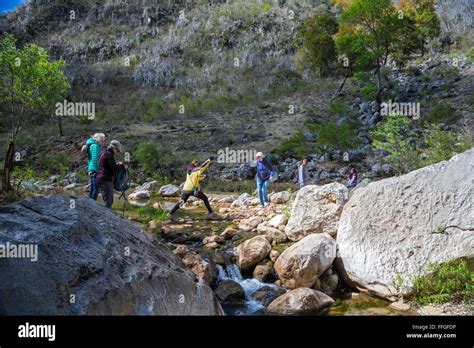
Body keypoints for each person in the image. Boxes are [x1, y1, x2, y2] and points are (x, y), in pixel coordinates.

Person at [96, 140, 125, 208]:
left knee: (107, 200)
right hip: (105, 179)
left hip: (101, 178)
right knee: (108, 202)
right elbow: (114, 168)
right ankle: (105, 217)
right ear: (114, 148)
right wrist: (122, 166)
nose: (117, 152)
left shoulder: (104, 152)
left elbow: (107, 165)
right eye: (117, 150)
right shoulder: (109, 154)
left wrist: (117, 164)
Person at [84, 133, 105, 200]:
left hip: (91, 168)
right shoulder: (95, 146)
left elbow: (90, 159)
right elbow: (95, 159)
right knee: (96, 188)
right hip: (94, 169)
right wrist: (98, 169)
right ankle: (93, 204)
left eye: (103, 140)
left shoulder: (91, 145)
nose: (102, 141)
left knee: (92, 187)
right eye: (101, 139)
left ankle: (90, 203)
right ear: (97, 138)